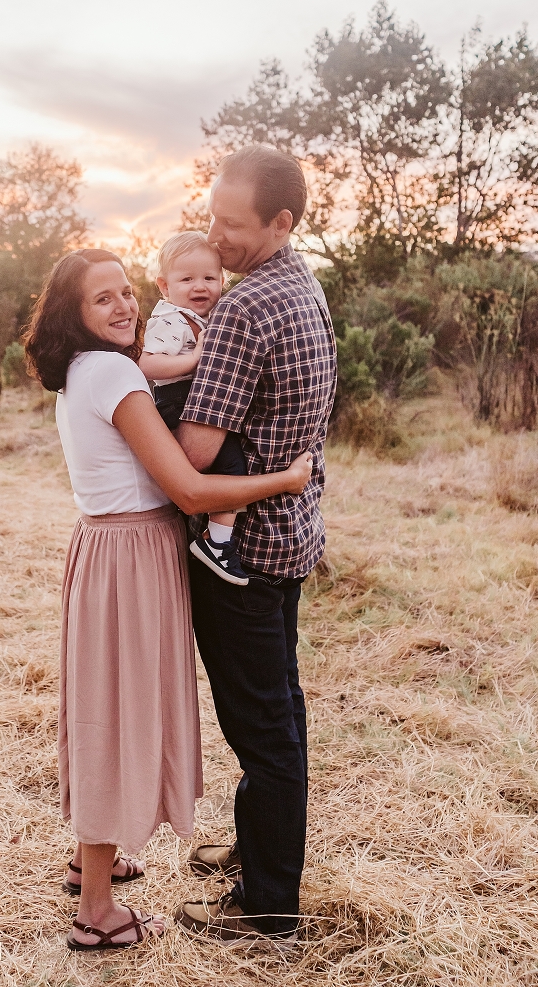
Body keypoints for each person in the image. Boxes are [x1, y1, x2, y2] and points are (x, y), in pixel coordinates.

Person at [22, 247, 313, 953]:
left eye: (126, 292)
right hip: (132, 555)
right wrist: (284, 479)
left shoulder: (82, 370)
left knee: (105, 706)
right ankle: (97, 913)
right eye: (103, 299)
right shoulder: (117, 372)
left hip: (105, 548)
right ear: (74, 314)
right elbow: (188, 488)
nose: (123, 307)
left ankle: (96, 858)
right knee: (116, 716)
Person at [172, 146, 338, 947]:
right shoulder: (304, 285)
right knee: (284, 711)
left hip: (241, 556)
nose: (216, 237)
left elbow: (198, 452)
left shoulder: (242, 308)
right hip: (293, 535)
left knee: (263, 733)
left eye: (232, 225)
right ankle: (259, 853)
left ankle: (267, 910)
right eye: (211, 218)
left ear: (281, 222)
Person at [139, 231, 250, 586]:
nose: (199, 286)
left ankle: (212, 533)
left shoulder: (205, 314)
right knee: (231, 463)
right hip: (176, 400)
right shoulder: (170, 320)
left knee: (232, 460)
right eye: (186, 279)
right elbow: (146, 365)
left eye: (209, 278)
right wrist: (194, 359)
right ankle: (216, 543)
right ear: (164, 286)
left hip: (192, 396)